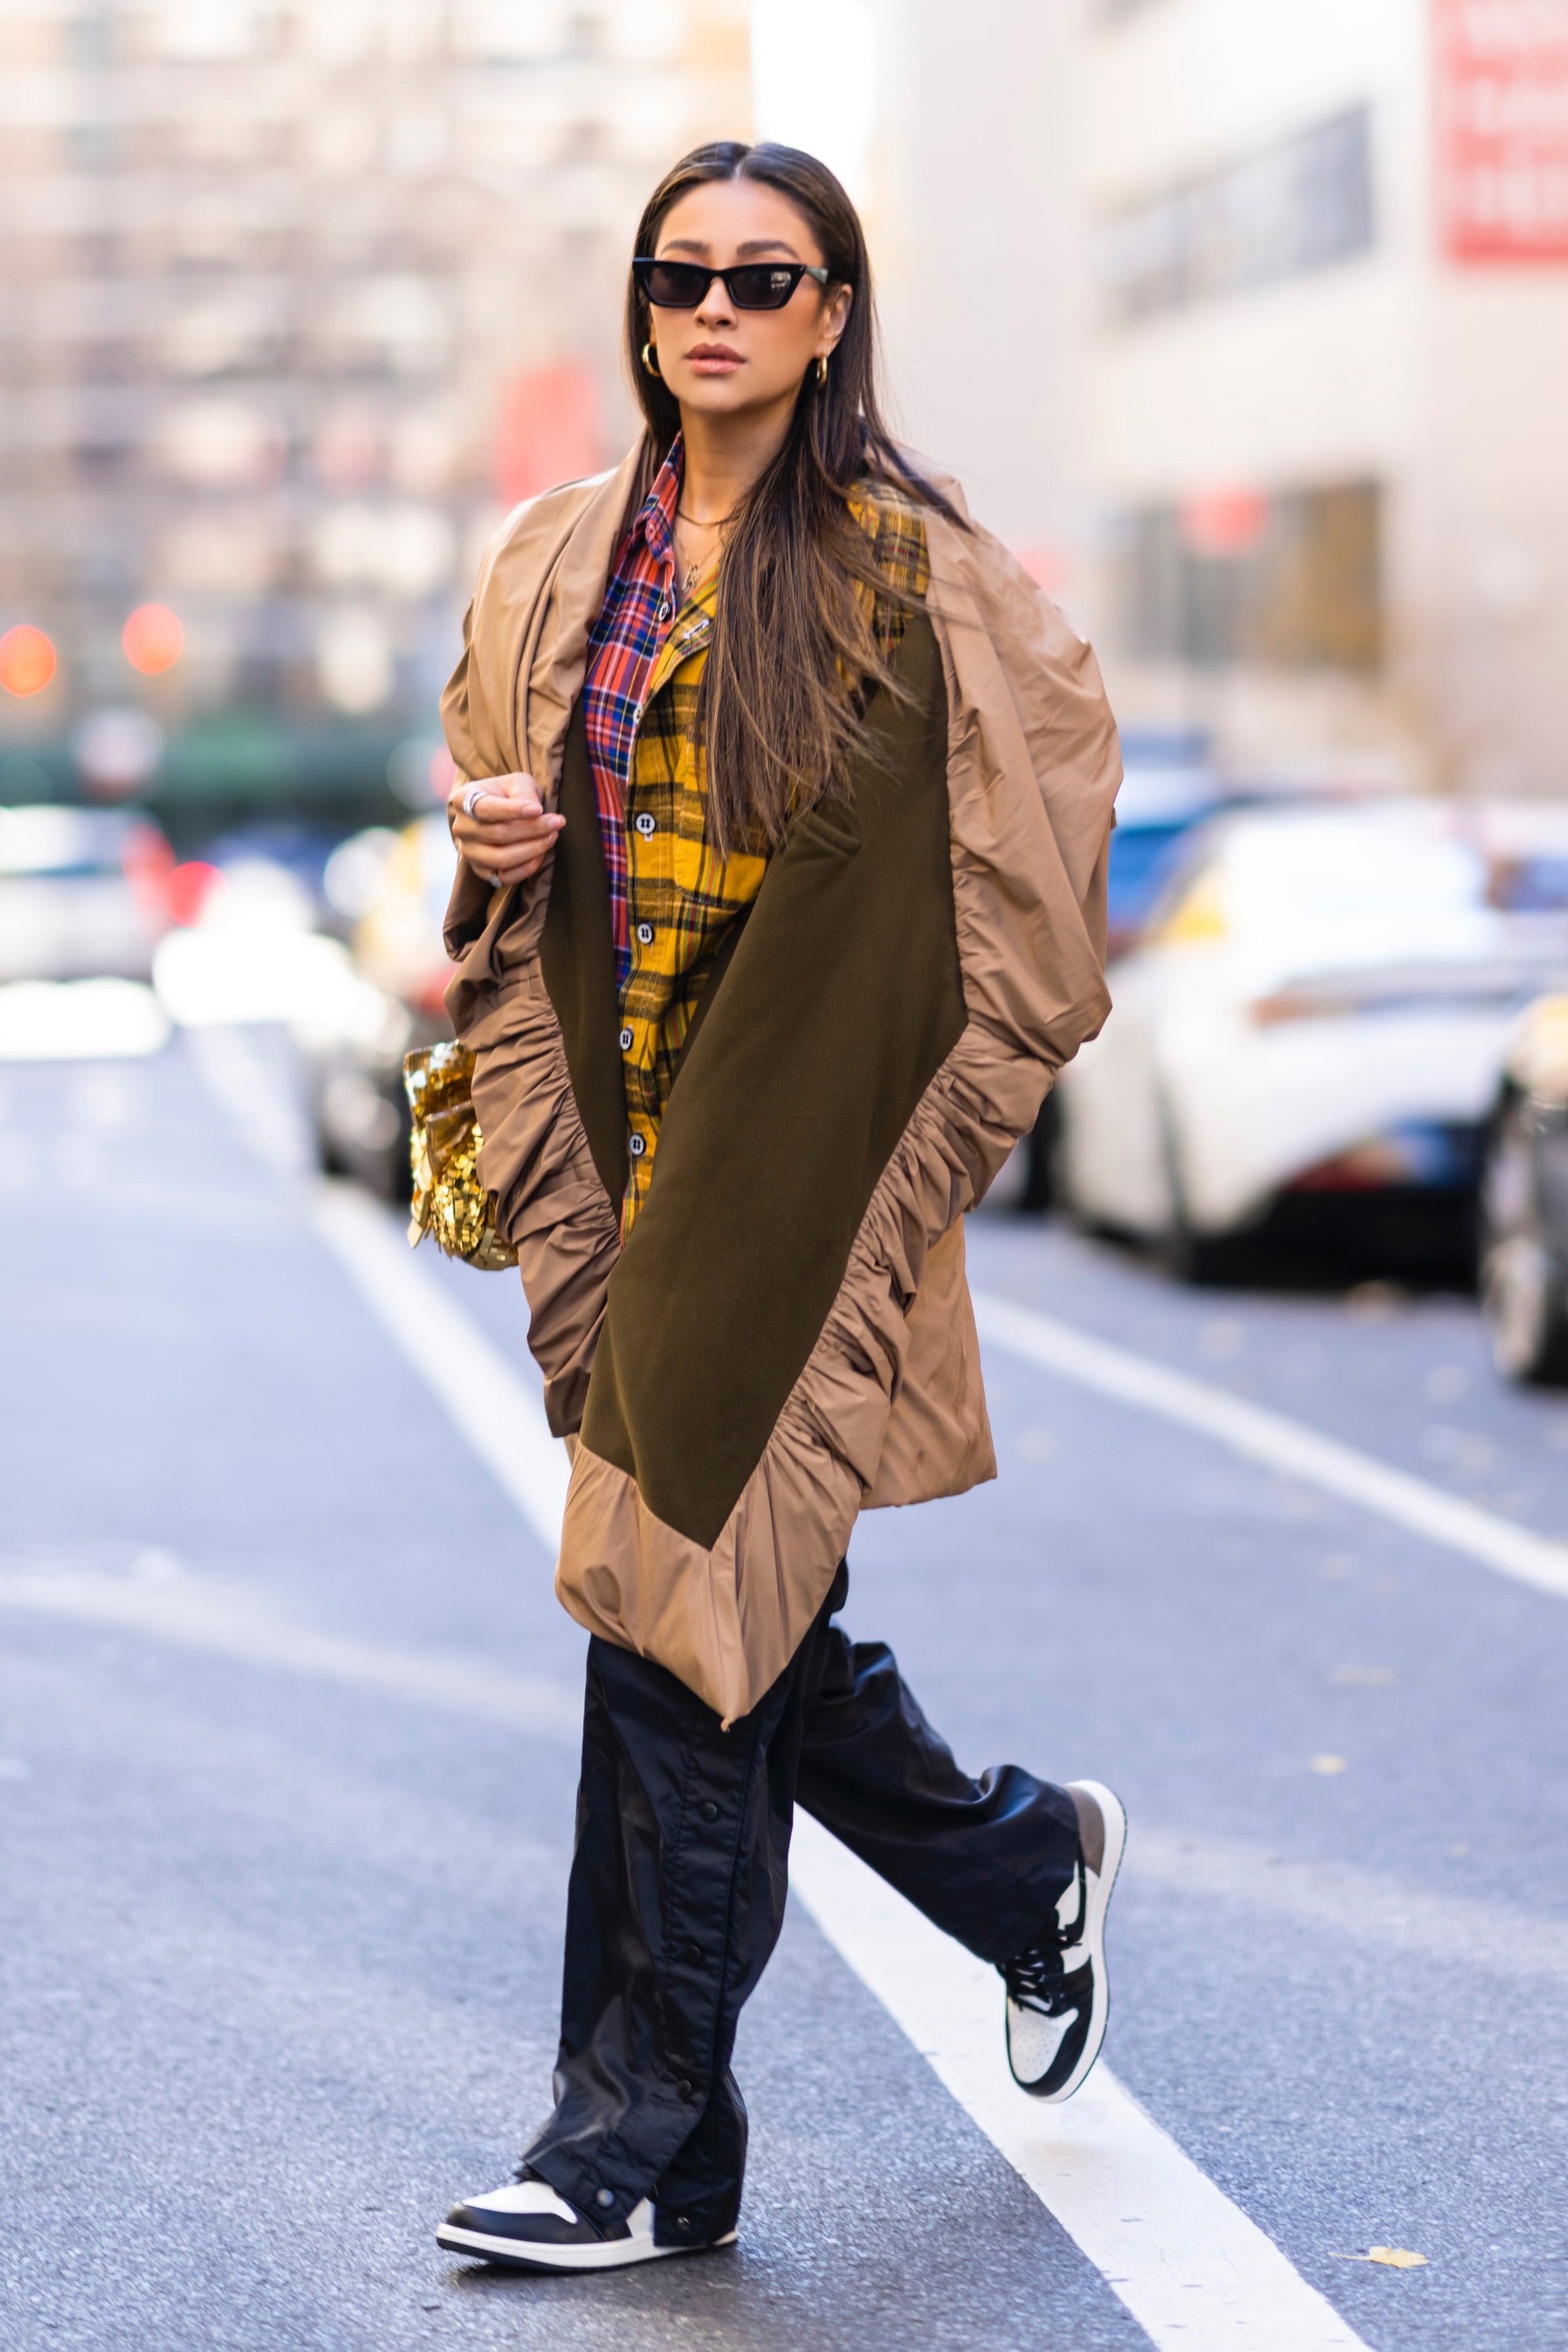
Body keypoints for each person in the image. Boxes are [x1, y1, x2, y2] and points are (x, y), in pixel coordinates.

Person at [433, 140, 1124, 2278]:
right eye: (680, 274)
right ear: (643, 310)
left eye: (766, 275)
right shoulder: (564, 554)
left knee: (663, 1598)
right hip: (617, 1147)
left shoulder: (921, 575)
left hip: (790, 1142)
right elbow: (489, 813)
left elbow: (1052, 795)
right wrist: (492, 844)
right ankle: (1024, 1868)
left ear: (832, 313)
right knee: (733, 1611)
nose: (715, 307)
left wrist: (897, 1065)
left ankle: (628, 2147)